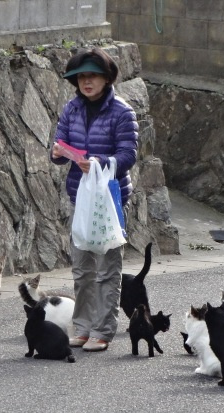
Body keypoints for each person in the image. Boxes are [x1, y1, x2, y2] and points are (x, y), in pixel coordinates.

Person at [50, 47, 139, 352]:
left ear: (106, 77)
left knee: (106, 269)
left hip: (110, 202)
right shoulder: (71, 109)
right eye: (81, 77)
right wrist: (58, 153)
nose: (86, 82)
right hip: (80, 198)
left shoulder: (122, 112)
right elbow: (60, 147)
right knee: (82, 269)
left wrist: (99, 161)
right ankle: (83, 327)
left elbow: (128, 155)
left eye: (93, 75)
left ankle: (103, 330)